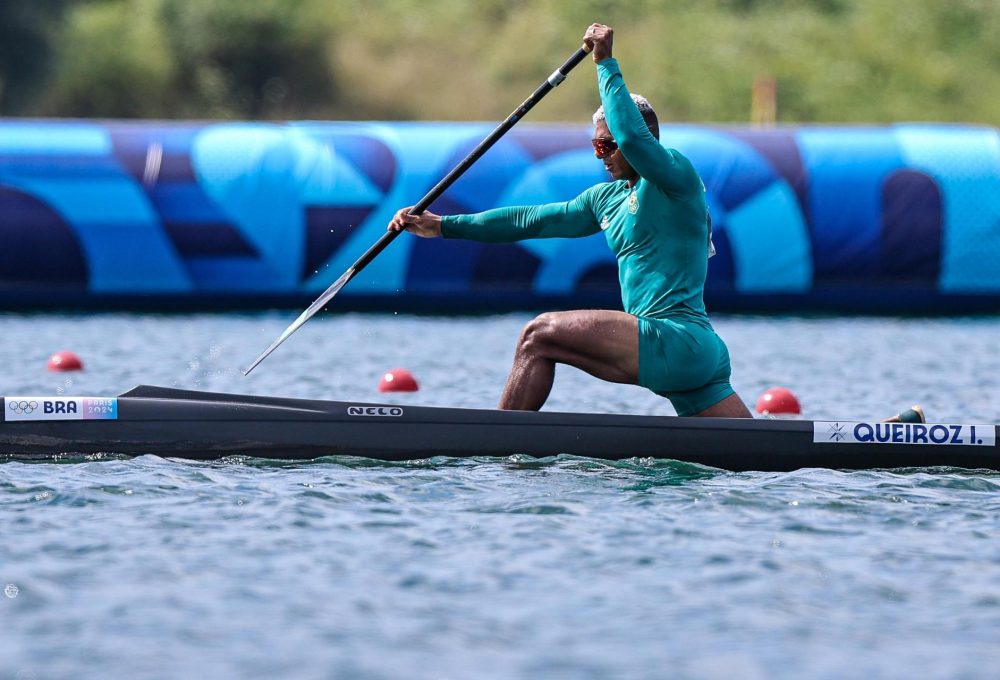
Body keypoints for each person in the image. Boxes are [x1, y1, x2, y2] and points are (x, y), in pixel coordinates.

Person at [388, 23, 752, 418]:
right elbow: (531, 221)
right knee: (758, 454)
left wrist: (604, 62)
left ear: (649, 139)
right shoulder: (607, 198)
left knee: (538, 335)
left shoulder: (675, 178)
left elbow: (631, 138)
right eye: (597, 146)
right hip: (695, 361)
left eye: (607, 145)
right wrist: (443, 226)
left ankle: (498, 441)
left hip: (676, 339)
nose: (603, 155)